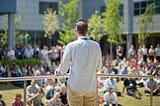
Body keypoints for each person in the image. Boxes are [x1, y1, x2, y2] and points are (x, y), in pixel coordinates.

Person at [55, 19, 102, 106]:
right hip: (90, 87)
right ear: (87, 31)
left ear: (75, 31)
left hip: (75, 87)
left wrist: (58, 72)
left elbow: (63, 68)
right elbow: (99, 67)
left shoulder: (71, 46)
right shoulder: (96, 45)